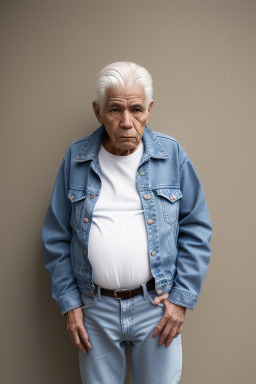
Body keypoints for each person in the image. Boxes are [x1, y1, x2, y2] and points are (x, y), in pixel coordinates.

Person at [42, 61, 212, 384]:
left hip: (157, 307)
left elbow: (197, 228)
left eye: (136, 109)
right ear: (97, 112)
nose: (126, 122)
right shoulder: (76, 159)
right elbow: (55, 237)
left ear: (149, 109)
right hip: (95, 309)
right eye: (115, 110)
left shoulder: (172, 156)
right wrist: (70, 304)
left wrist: (180, 299)